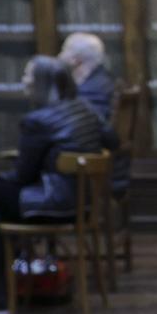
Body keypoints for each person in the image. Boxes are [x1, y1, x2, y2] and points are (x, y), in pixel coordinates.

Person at [0, 55, 115, 314]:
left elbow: (23, 175)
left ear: (43, 83)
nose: (24, 81)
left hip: (52, 204)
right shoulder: (85, 109)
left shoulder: (38, 120)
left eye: (28, 75)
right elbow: (112, 140)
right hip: (81, 203)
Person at [60, 31, 131, 195]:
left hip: (95, 173)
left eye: (63, 51)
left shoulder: (92, 91)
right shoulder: (100, 80)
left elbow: (88, 133)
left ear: (75, 60)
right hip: (107, 168)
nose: (59, 56)